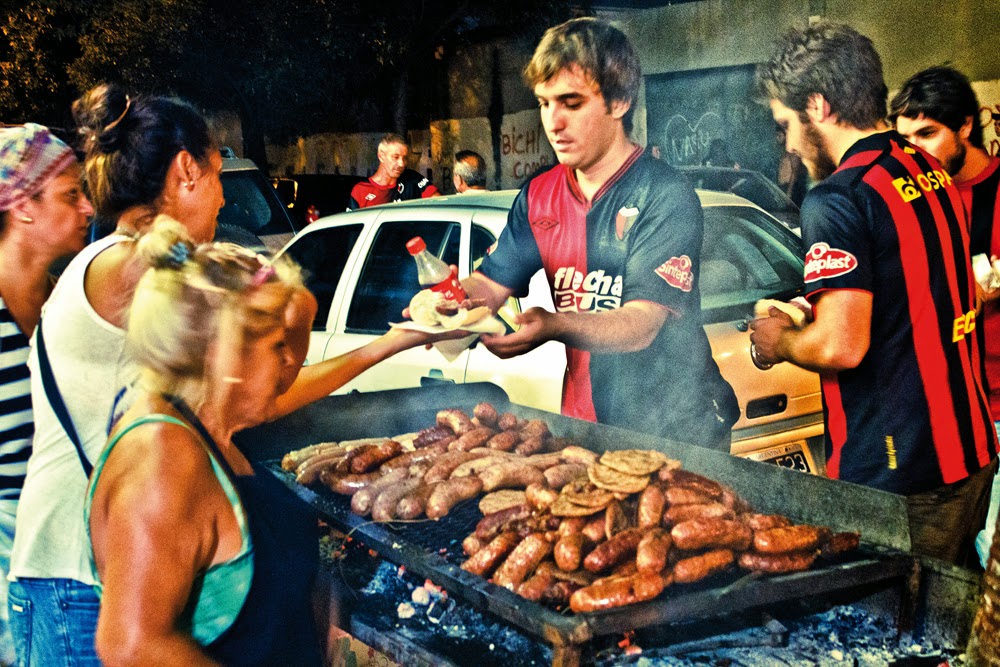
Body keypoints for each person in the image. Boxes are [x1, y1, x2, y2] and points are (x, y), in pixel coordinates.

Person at [7, 85, 443, 666]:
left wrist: (394, 341)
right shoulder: (120, 266)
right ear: (187, 170)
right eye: (216, 177)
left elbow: (257, 393)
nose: (221, 202)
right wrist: (281, 288)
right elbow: (256, 307)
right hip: (76, 579)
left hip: (126, 561)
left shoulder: (156, 275)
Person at [751, 22, 998, 567]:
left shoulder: (838, 199)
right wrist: (814, 308)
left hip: (896, 475)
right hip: (969, 449)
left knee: (896, 638)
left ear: (817, 106)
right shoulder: (930, 170)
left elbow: (842, 346)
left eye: (785, 124)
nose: (789, 143)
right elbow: (913, 294)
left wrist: (780, 339)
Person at [460, 17, 739, 450]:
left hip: (680, 433)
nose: (553, 122)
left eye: (571, 103)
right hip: (585, 430)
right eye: (544, 102)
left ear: (620, 101)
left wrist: (552, 325)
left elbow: (641, 324)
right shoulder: (538, 195)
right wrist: (447, 303)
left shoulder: (665, 193)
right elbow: (489, 284)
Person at [86, 218, 320, 664]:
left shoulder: (207, 433)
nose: (289, 360)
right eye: (275, 345)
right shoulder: (163, 457)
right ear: (226, 354)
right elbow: (131, 644)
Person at [889, 65, 1000, 569]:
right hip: (950, 416)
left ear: (966, 127)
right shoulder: (914, 195)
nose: (915, 150)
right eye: (905, 137)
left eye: (927, 133)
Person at [0, 124, 93, 664]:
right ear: (22, 208)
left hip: (61, 579)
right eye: (69, 195)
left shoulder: (65, 308)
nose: (86, 209)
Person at [346, 133, 439, 209]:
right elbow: (353, 229)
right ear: (381, 156)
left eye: (405, 158)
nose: (401, 164)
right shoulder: (361, 190)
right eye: (396, 157)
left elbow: (440, 203)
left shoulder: (413, 179)